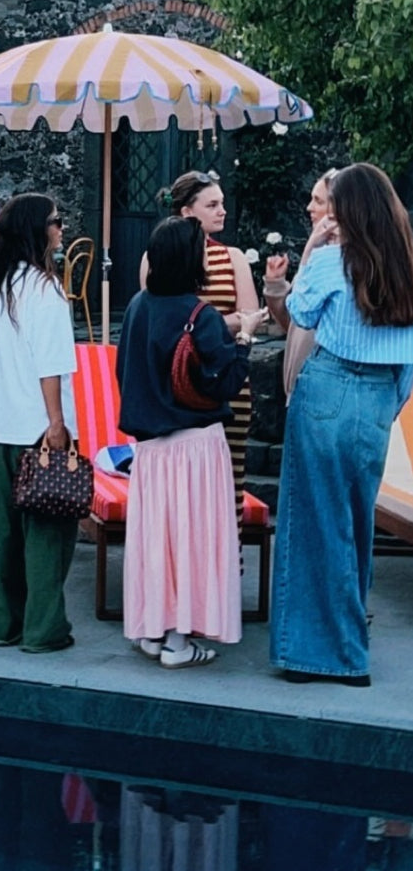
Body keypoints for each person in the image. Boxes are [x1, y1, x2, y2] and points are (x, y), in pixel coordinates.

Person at [270, 163, 413, 686]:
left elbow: (300, 313)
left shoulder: (333, 261)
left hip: (328, 387)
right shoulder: (407, 267)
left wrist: (311, 250)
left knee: (310, 521)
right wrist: (388, 403)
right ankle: (350, 647)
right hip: (379, 398)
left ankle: (317, 654)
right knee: (354, 525)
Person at [119, 217, 263, 667]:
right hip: (196, 446)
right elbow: (224, 382)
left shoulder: (137, 307)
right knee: (191, 541)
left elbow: (126, 371)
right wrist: (244, 338)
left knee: (156, 542)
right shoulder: (199, 315)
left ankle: (152, 628)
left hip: (150, 449)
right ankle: (179, 642)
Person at [0, 193, 78, 653]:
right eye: (56, 221)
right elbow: (50, 365)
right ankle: (43, 629)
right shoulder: (44, 289)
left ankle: (3, 624)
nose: (61, 228)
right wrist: (57, 423)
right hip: (39, 427)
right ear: (39, 231)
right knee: (47, 535)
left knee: (4, 535)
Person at [142, 171, 260, 534]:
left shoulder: (234, 256)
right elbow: (158, 321)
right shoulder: (155, 256)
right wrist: (212, 323)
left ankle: (224, 572)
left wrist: (201, 323)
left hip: (226, 381)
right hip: (177, 387)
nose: (223, 211)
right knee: (177, 491)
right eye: (213, 205)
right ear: (187, 212)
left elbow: (251, 315)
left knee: (230, 483)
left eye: (222, 203)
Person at [262, 169, 338, 400]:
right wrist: (276, 286)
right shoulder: (321, 254)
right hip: (300, 390)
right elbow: (297, 322)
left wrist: (308, 252)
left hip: (322, 391)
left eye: (318, 201)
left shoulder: (331, 261)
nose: (309, 208)